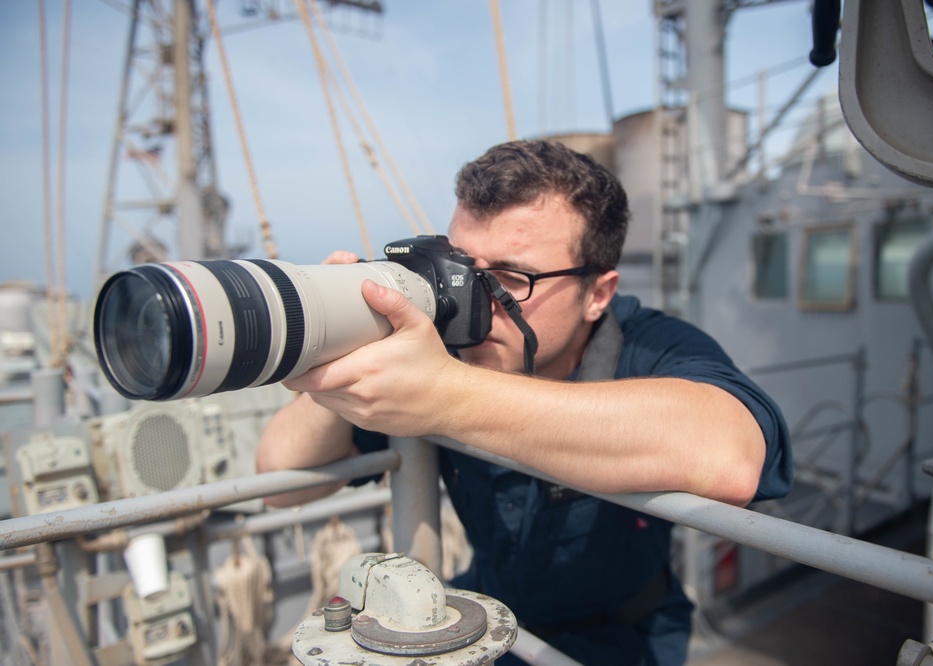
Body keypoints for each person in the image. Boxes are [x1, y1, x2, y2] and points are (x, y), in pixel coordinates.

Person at [256, 139, 792, 665]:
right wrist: (342, 344)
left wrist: (449, 398)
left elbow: (731, 453)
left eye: (512, 280)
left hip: (623, 638)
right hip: (486, 615)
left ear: (598, 294)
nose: (474, 302)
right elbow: (280, 476)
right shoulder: (441, 353)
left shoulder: (648, 346)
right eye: (463, 271)